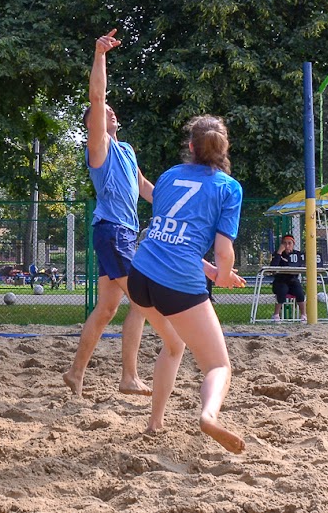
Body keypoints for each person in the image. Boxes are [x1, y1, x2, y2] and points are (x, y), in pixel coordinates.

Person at [127, 115, 247, 453]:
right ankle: (209, 416)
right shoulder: (228, 187)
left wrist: (213, 274)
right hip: (176, 284)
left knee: (174, 345)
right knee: (219, 365)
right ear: (223, 149)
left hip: (141, 277)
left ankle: (154, 423)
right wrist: (222, 276)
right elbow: (224, 251)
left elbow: (173, 240)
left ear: (191, 147)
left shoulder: (169, 177)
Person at [63, 29, 154, 397]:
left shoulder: (127, 150)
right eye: (102, 112)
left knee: (105, 311)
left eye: (112, 110)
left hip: (123, 233)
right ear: (93, 124)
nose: (110, 111)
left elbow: (146, 188)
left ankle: (75, 373)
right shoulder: (97, 148)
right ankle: (129, 377)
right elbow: (97, 95)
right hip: (113, 231)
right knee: (144, 302)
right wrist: (100, 53)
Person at [270, 234, 307, 322]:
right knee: (282, 290)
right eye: (284, 243)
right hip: (280, 280)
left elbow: (300, 266)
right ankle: (276, 314)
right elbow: (273, 267)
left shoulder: (297, 254)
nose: (287, 246)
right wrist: (279, 252)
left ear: (293, 244)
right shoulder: (277, 254)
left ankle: (303, 315)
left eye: (289, 243)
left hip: (292, 280)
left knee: (299, 292)